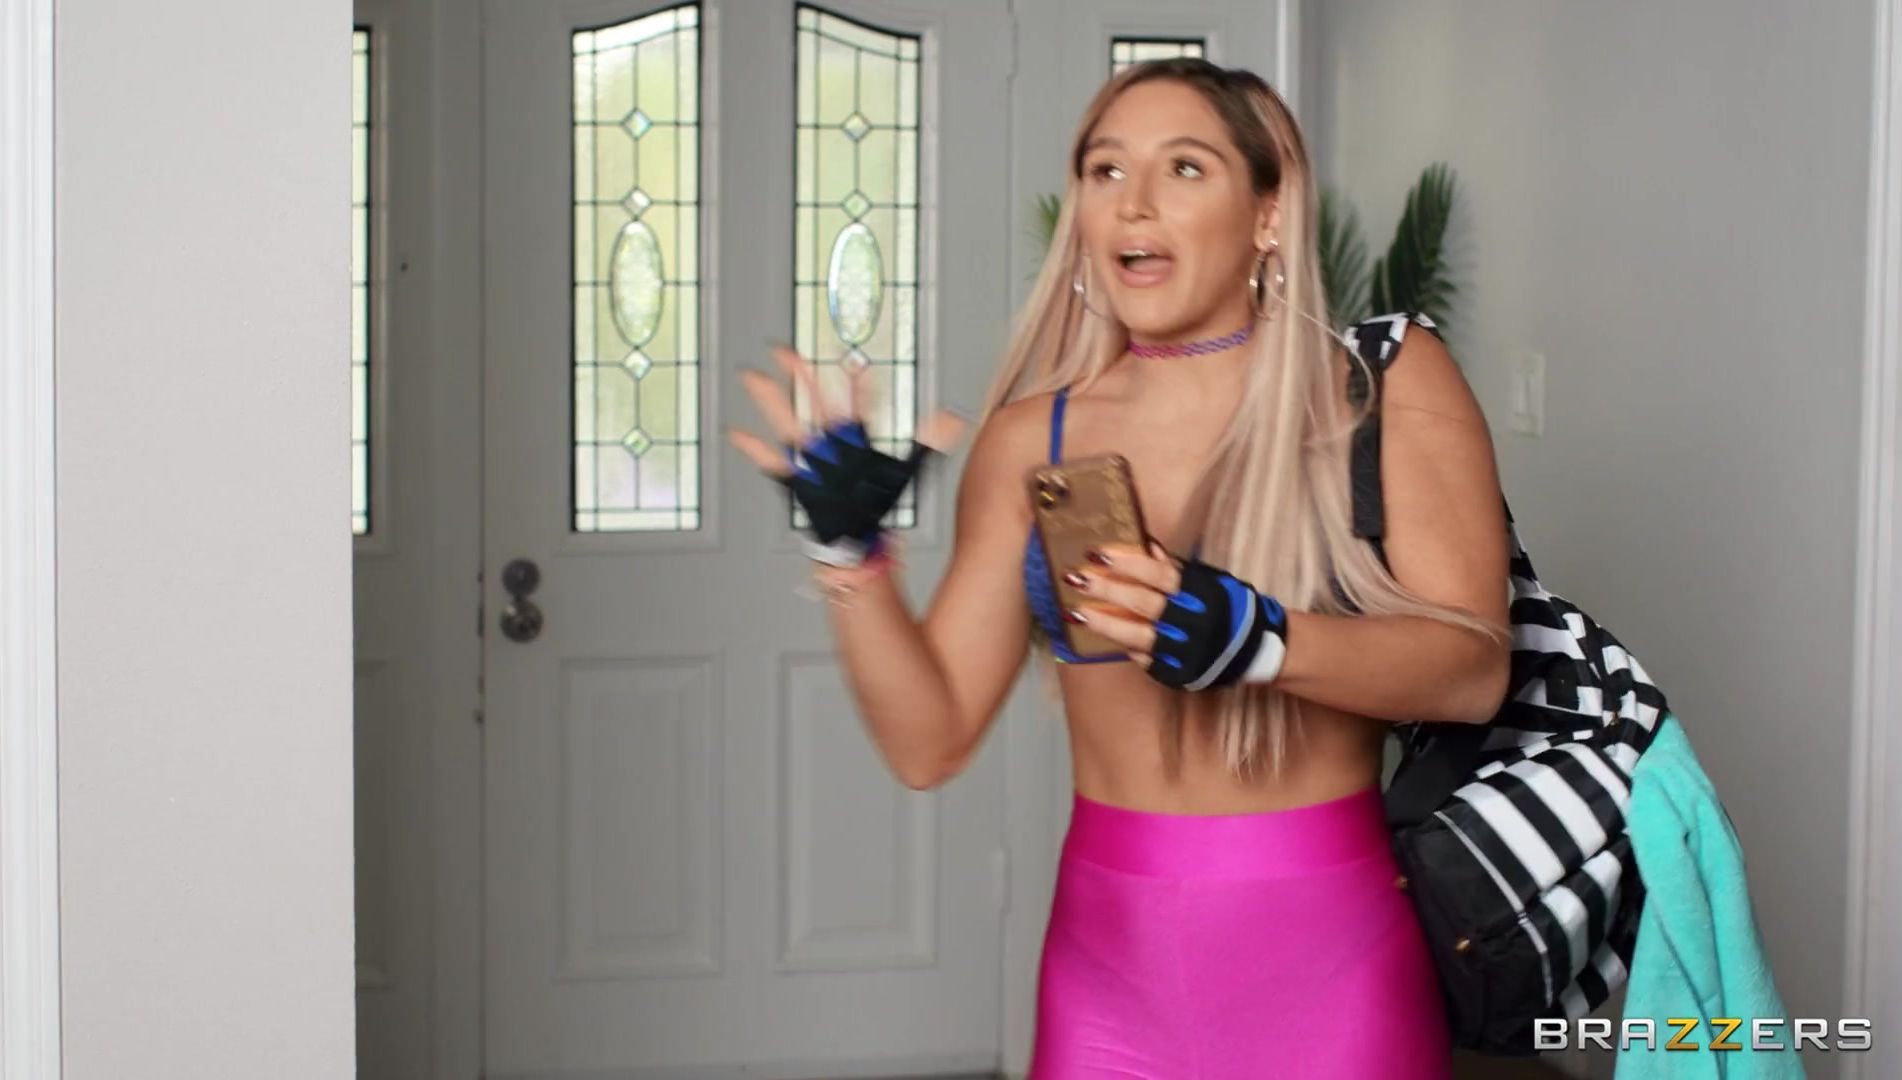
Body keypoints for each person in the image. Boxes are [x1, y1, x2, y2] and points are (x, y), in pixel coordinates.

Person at [730, 58, 1512, 1080]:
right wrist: (852, 558)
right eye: (1105, 170)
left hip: (1332, 970)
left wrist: (1261, 641)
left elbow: (1471, 672)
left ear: (1269, 212)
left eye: (1184, 167)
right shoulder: (1033, 441)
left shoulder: (1377, 390)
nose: (1132, 201)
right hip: (1107, 983)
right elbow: (929, 741)